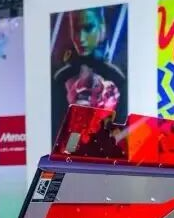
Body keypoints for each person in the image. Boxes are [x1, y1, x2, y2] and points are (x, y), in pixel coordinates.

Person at [51, 8, 127, 143]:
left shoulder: (117, 78)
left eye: (88, 28)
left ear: (101, 28)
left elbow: (121, 135)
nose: (81, 38)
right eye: (76, 29)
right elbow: (61, 142)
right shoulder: (61, 79)